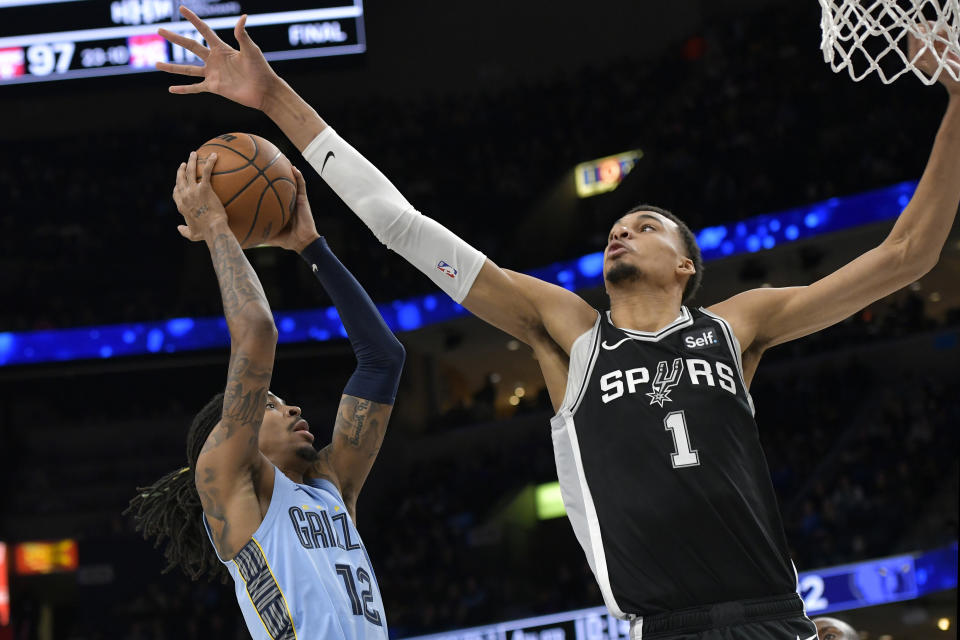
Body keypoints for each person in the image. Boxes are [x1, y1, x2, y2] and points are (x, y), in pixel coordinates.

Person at [155, 8, 959, 638]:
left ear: (686, 266)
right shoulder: (569, 335)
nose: (622, 228)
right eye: (618, 223)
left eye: (646, 225)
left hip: (777, 613)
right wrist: (273, 100)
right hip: (666, 627)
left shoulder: (737, 324)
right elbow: (400, 224)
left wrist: (959, 98)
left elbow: (908, 255)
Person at [125, 150, 405, 640]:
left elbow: (383, 358)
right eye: (272, 403)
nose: (292, 407)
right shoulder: (230, 481)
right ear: (242, 432)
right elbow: (256, 330)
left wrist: (312, 246)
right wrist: (216, 227)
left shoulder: (331, 487)